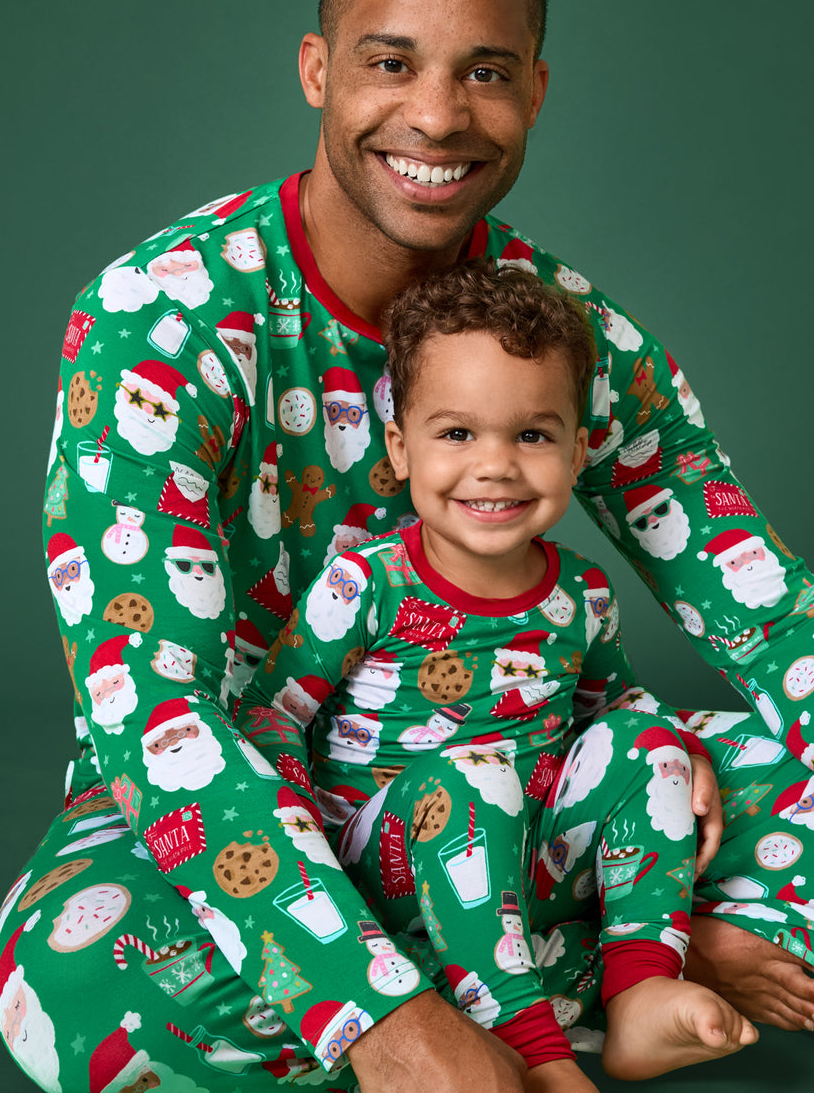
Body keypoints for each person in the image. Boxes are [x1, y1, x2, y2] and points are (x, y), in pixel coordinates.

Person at [0, 0, 814, 1093]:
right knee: (87, 981)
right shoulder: (161, 320)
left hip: (526, 791)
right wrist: (380, 1020)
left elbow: (769, 611)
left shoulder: (570, 332)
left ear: (535, 91)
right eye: (390, 61)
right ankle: (637, 955)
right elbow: (156, 720)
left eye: (486, 72)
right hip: (242, 820)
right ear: (316, 69)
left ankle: (586, 955)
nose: (437, 115)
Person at [236, 260, 757, 1089]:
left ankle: (642, 988)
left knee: (646, 735)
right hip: (386, 859)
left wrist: (669, 747)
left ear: (579, 450)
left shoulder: (581, 590)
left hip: (523, 860)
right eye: (456, 434)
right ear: (402, 450)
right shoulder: (363, 584)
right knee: (473, 777)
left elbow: (611, 703)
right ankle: (537, 1049)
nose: (496, 465)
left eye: (532, 435)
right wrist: (308, 848)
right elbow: (270, 718)